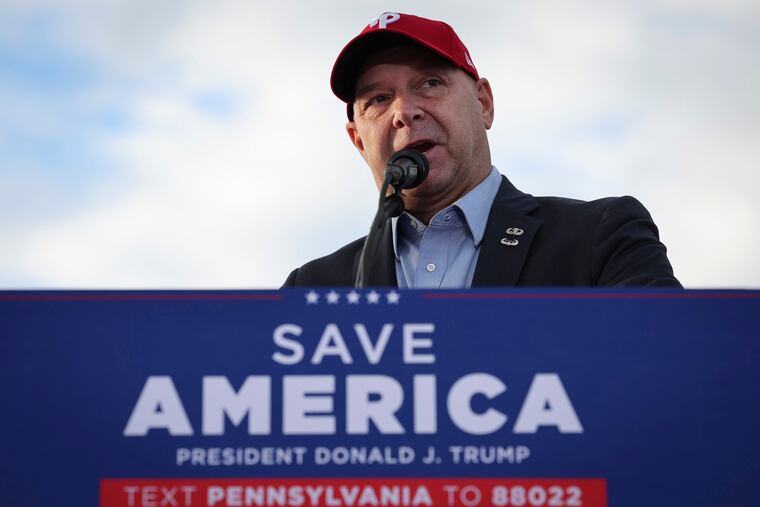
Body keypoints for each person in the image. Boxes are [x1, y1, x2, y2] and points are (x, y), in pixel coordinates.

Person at [283, 12, 680, 288]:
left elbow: (668, 367)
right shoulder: (311, 288)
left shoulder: (600, 238)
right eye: (379, 99)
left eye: (430, 83)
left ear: (484, 103)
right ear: (358, 140)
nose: (404, 112)